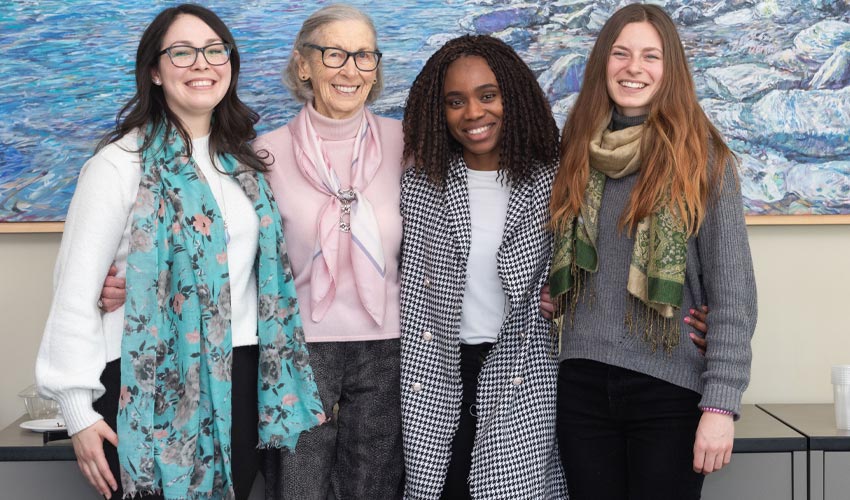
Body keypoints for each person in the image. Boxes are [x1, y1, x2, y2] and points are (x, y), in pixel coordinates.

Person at [35, 5, 323, 499]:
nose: (201, 64)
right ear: (154, 69)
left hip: (243, 375)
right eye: (182, 52)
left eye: (215, 51)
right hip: (147, 382)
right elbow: (74, 291)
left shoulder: (242, 164)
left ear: (230, 64)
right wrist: (77, 412)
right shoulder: (119, 165)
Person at [548, 4, 757, 500]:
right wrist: (553, 287)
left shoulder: (705, 161)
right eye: (620, 53)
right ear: (603, 63)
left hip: (669, 391)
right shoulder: (576, 151)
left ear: (671, 70)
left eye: (650, 56)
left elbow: (734, 298)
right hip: (581, 386)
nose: (633, 68)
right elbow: (559, 255)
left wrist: (720, 408)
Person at [399, 35, 566, 499]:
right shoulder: (419, 184)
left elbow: (597, 259)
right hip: (437, 375)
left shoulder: (553, 180)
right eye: (456, 102)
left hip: (523, 372)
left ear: (512, 96)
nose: (473, 113)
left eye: (487, 96)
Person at [254, 4, 405, 499]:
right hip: (297, 349)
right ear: (304, 64)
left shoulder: (408, 143)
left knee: (374, 489)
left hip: (390, 348)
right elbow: (229, 252)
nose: (351, 69)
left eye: (364, 56)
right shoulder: (263, 155)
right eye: (335, 53)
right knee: (297, 490)